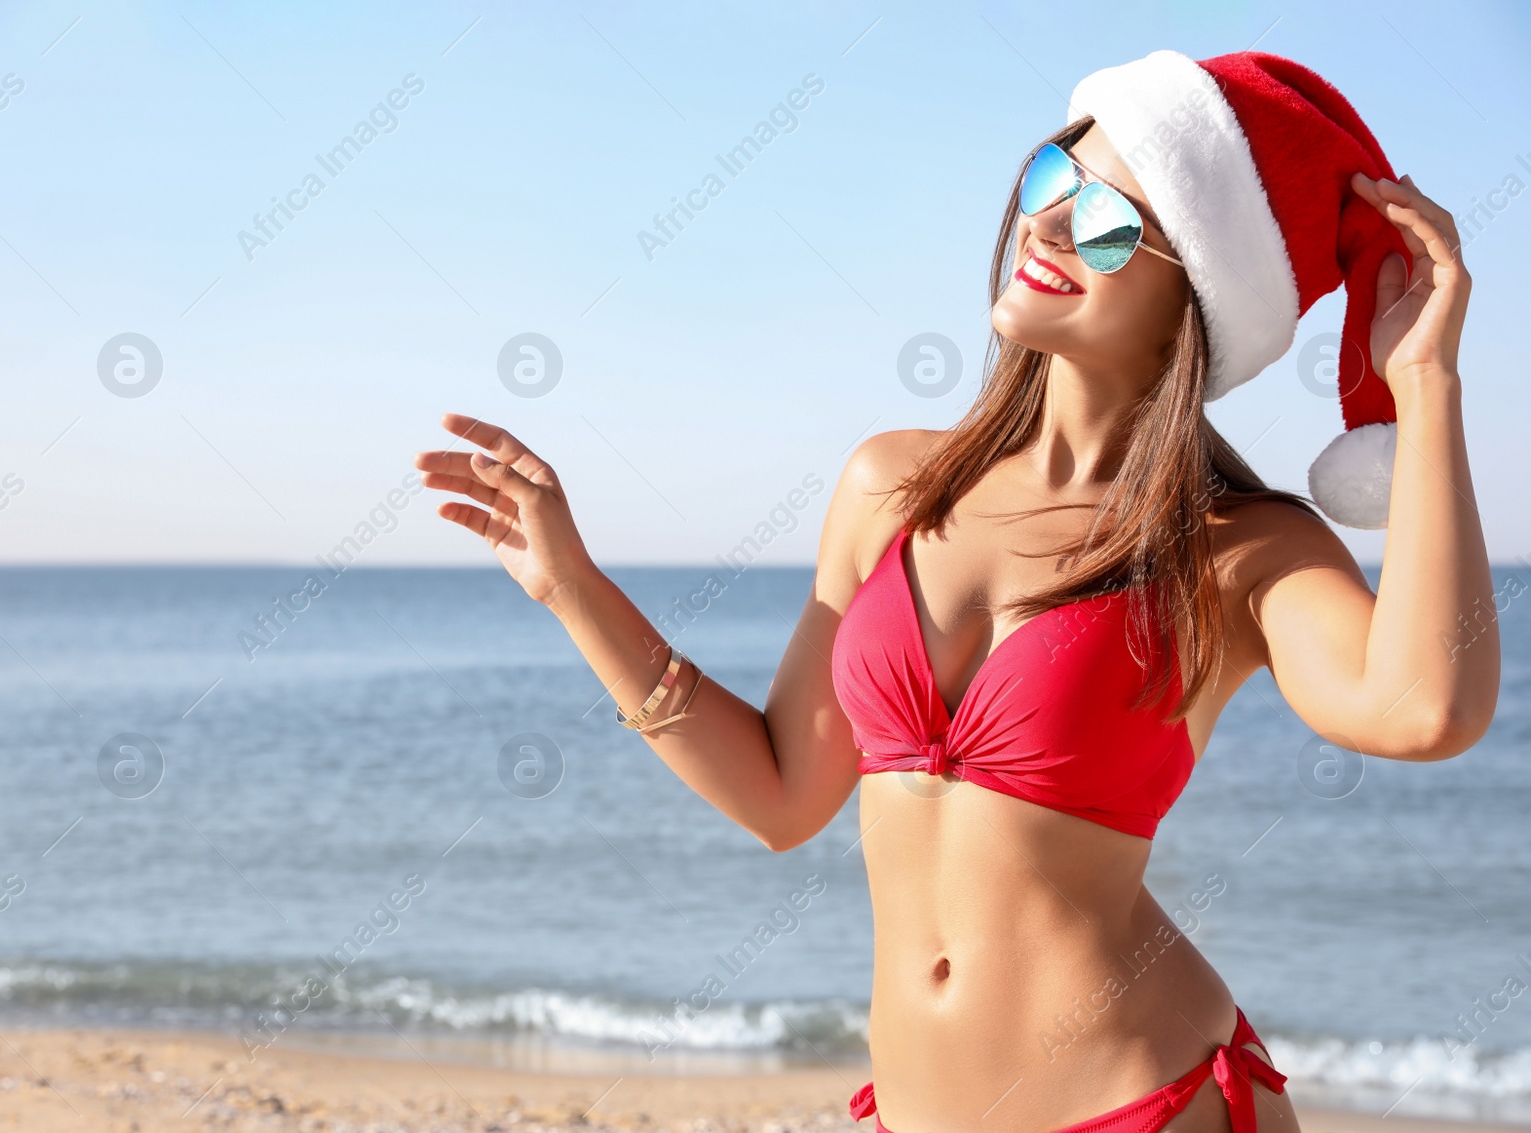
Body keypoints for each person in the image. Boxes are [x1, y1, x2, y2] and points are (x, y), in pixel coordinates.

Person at [414, 49, 1498, 1133]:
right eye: (1048, 182)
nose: (1051, 227)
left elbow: (1424, 707)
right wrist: (571, 586)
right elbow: (783, 794)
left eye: (1112, 224)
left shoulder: (1234, 549)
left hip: (1143, 1104)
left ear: (1195, 300)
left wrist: (1422, 384)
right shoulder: (889, 485)